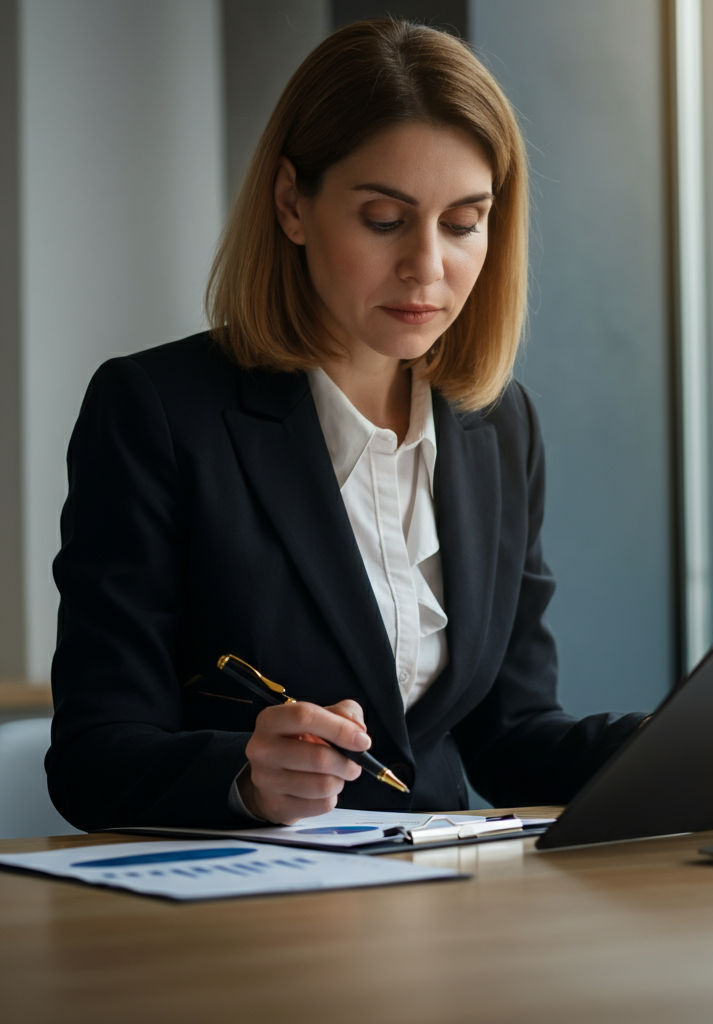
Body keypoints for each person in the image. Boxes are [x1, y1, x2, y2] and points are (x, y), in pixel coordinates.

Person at [45, 19, 647, 830]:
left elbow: (511, 737)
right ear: (293, 203)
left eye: (464, 223)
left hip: (445, 905)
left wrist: (691, 744)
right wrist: (245, 778)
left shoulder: (496, 426)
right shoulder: (155, 410)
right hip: (240, 919)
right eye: (384, 219)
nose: (428, 268)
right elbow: (92, 759)